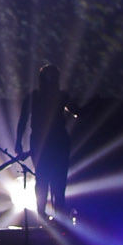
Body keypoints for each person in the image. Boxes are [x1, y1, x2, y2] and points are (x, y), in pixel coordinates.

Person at [17, 63, 75, 221]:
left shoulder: (50, 96)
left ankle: (50, 215)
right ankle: (49, 215)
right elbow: (23, 120)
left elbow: (23, 121)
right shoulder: (44, 97)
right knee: (50, 180)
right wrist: (18, 142)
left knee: (47, 180)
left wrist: (18, 142)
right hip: (52, 142)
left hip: (51, 142)